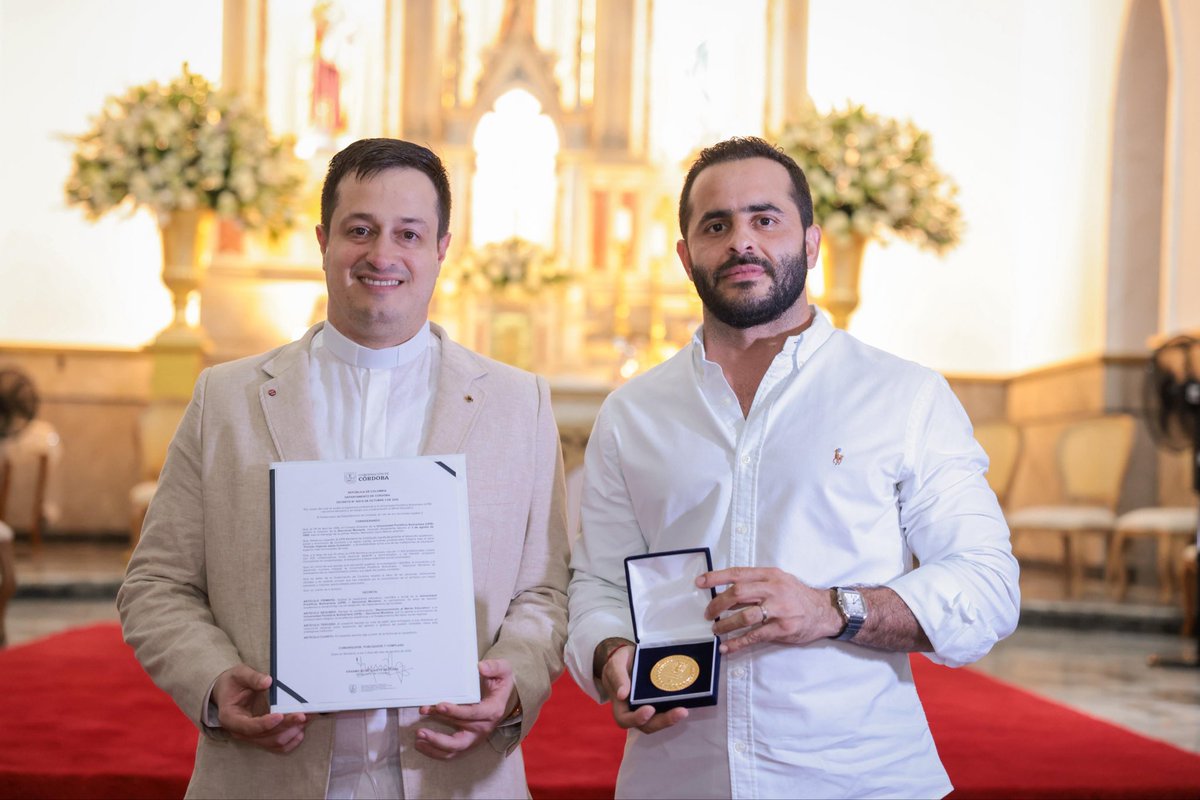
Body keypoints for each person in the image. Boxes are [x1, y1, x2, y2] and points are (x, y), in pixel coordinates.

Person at [565, 137, 1020, 799]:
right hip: (680, 775)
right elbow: (600, 587)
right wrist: (611, 658)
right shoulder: (632, 413)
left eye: (765, 218)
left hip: (857, 773)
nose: (741, 240)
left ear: (810, 244)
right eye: (715, 225)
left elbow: (988, 585)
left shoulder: (903, 395)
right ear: (686, 256)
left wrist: (832, 609)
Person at [119, 138, 569, 799]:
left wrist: (512, 679)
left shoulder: (516, 403)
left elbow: (546, 593)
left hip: (451, 774)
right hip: (270, 773)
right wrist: (214, 678)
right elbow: (156, 583)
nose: (382, 254)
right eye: (360, 230)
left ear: (442, 248)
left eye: (408, 233)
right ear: (324, 239)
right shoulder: (228, 398)